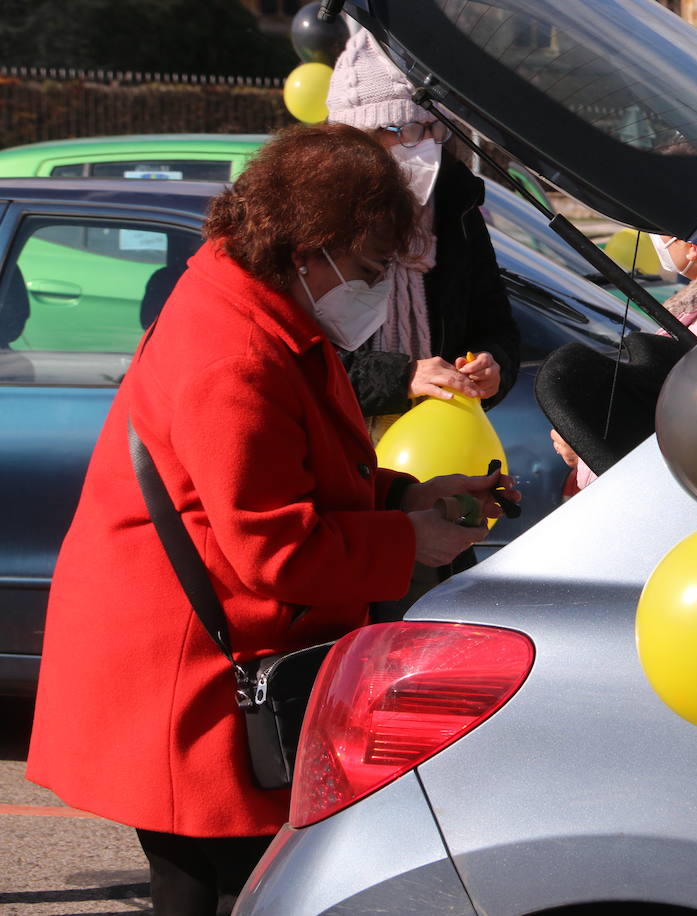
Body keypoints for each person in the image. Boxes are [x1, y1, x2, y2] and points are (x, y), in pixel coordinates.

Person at [25, 122, 517, 916]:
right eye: (367, 267)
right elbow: (274, 546)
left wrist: (405, 496)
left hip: (201, 644)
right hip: (186, 664)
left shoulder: (260, 305)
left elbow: (295, 472)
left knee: (223, 886)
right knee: (219, 888)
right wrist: (410, 539)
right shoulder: (233, 349)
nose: (379, 289)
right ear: (306, 247)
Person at [325, 30, 519, 439]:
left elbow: (495, 321)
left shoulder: (456, 206)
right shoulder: (318, 223)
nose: (428, 146)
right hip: (340, 447)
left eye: (437, 131)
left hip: (437, 441)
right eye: (409, 130)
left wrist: (492, 364)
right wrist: (402, 377)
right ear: (359, 136)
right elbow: (295, 362)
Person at [549, 235, 697, 489]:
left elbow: (681, 430)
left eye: (659, 231)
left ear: (692, 248)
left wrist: (581, 445)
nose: (654, 239)